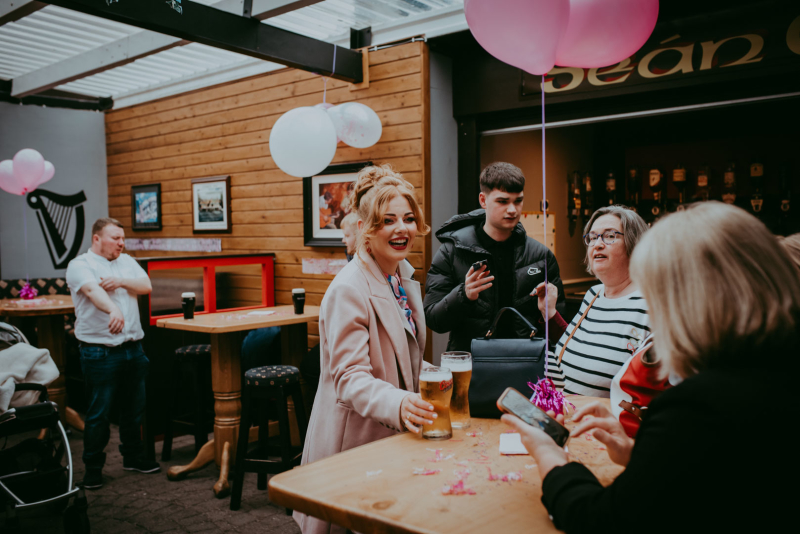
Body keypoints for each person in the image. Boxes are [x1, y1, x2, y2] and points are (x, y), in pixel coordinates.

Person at [502, 202, 799, 533]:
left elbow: (600, 521)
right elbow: (705, 477)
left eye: (659, 291)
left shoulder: (700, 405)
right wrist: (636, 453)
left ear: (698, 297)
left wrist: (550, 456)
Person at [295, 165, 434, 534]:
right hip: (354, 441)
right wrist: (400, 403)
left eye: (407, 218)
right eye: (387, 220)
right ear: (366, 229)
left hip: (390, 436)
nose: (401, 228)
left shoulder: (400, 276)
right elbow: (349, 378)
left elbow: (405, 354)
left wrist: (438, 376)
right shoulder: (348, 289)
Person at [424, 162, 566, 352]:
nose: (513, 210)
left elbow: (561, 329)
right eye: (503, 201)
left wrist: (547, 312)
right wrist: (463, 296)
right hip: (472, 369)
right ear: (483, 200)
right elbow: (434, 320)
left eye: (518, 201)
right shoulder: (452, 252)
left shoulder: (541, 256)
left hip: (525, 368)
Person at [66, 218, 160, 490]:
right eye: (115, 238)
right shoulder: (79, 265)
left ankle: (132, 457)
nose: (121, 243)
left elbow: (146, 286)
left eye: (122, 238)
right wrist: (113, 309)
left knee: (134, 410)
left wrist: (120, 281)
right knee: (99, 414)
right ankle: (93, 469)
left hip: (134, 348)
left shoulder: (127, 262)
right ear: (97, 239)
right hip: (99, 352)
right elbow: (93, 290)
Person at [542, 205, 650, 397]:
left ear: (635, 244)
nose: (597, 244)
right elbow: (582, 347)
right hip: (566, 420)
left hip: (609, 424)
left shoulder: (651, 306)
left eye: (610, 236)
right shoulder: (594, 294)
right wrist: (550, 312)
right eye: (592, 237)